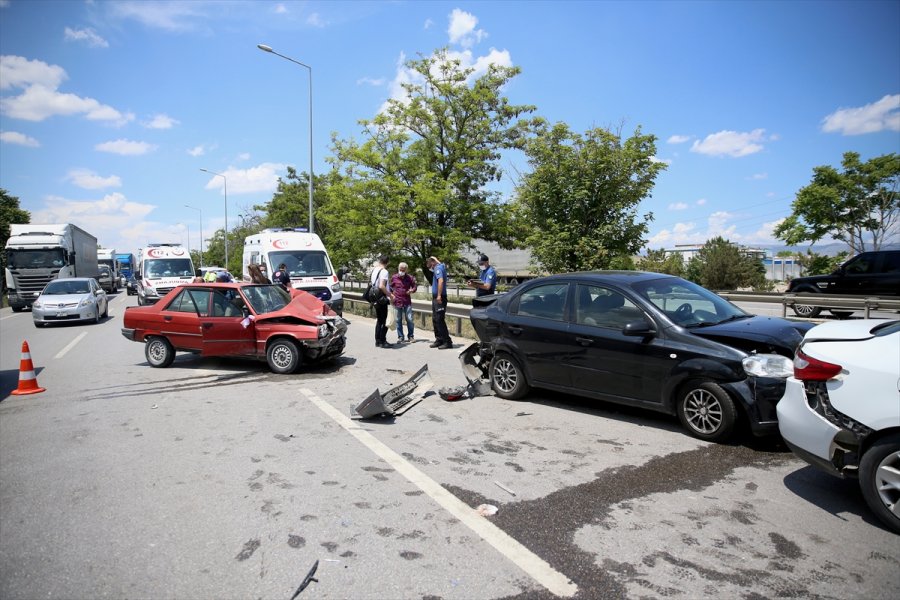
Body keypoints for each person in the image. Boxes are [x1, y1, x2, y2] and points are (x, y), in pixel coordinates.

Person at [425, 256, 452, 349]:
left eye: (429, 264)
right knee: (435, 319)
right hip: (436, 297)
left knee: (439, 319)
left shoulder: (438, 268)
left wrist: (439, 295)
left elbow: (441, 281)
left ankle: (447, 341)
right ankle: (439, 339)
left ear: (433, 262)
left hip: (439, 297)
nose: (429, 267)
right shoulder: (439, 267)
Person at [390, 262, 417, 343]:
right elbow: (390, 287)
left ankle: (411, 336)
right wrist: (392, 294)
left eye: (403, 270)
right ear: (398, 269)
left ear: (406, 270)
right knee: (398, 320)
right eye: (400, 270)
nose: (401, 271)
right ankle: (401, 337)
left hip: (407, 302)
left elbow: (415, 287)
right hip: (397, 301)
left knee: (410, 319)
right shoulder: (394, 277)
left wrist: (411, 290)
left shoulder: (410, 278)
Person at [370, 255, 393, 348]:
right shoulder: (384, 271)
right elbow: (381, 286)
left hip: (375, 297)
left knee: (379, 320)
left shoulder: (374, 270)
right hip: (382, 298)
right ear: (387, 262)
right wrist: (390, 295)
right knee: (385, 320)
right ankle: (383, 341)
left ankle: (378, 341)